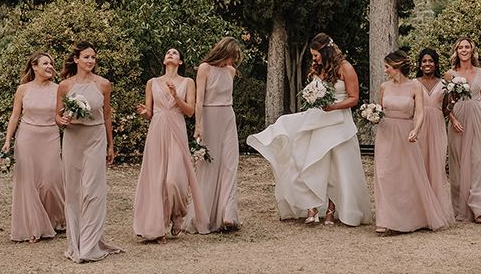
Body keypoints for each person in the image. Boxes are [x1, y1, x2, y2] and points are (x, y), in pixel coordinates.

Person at [247, 33, 372, 227]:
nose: (313, 59)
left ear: (326, 51)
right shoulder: (316, 69)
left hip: (339, 124)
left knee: (339, 167)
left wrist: (333, 106)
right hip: (317, 120)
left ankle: (332, 209)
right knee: (311, 162)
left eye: (316, 55)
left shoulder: (346, 67)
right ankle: (312, 206)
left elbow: (354, 98)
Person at [56, 41, 123, 262]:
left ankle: (89, 245)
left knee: (93, 190)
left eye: (93, 57)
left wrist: (111, 145)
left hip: (96, 138)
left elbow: (106, 117)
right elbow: (57, 116)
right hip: (73, 139)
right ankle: (75, 242)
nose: (90, 61)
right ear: (76, 59)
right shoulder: (65, 86)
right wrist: (63, 119)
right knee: (74, 191)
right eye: (86, 57)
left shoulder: (103, 84)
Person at [133, 48, 209, 243]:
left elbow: (190, 111)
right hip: (157, 131)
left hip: (177, 129)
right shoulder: (152, 82)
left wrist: (176, 96)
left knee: (174, 180)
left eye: (175, 53)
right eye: (167, 52)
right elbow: (150, 111)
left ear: (180, 62)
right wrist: (145, 112)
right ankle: (159, 226)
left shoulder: (188, 82)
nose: (170, 54)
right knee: (157, 179)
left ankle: (178, 213)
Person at [374, 51, 451, 235]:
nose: (385, 70)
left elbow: (421, 112)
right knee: (384, 175)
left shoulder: (414, 86)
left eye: (387, 67)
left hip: (406, 133)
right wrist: (372, 115)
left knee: (405, 176)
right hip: (385, 133)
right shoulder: (384, 86)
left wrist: (416, 129)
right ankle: (385, 219)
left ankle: (408, 218)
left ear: (397, 67)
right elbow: (380, 109)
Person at [2, 52, 65, 242]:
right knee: (28, 183)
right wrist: (7, 141)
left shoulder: (59, 89)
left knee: (50, 181)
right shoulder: (23, 89)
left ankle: (56, 219)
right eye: (45, 63)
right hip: (27, 137)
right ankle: (33, 226)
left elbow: (65, 110)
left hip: (50, 136)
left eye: (52, 63)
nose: (49, 66)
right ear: (34, 67)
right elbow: (15, 116)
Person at [183, 37, 242, 233]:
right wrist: (198, 126)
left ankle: (228, 213)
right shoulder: (205, 68)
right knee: (209, 165)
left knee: (230, 162)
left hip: (228, 117)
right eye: (231, 57)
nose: (232, 62)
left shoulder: (231, 71)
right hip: (209, 117)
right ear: (224, 52)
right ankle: (204, 216)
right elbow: (199, 101)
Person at [445, 36, 481, 223]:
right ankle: (462, 207)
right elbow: (446, 103)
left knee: (480, 160)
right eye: (461, 47)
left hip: (477, 117)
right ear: (456, 51)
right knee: (460, 162)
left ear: (472, 50)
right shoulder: (449, 74)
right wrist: (452, 119)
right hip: (459, 118)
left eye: (467, 47)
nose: (464, 50)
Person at [415, 48, 455, 224]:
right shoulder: (413, 83)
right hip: (419, 127)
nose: (427, 64)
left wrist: (453, 102)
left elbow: (446, 110)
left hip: (438, 126)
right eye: (424, 61)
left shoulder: (445, 84)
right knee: (420, 165)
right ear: (420, 64)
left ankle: (437, 210)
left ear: (436, 64)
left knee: (437, 165)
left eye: (430, 61)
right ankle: (420, 211)